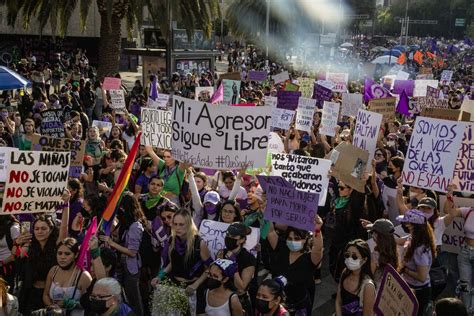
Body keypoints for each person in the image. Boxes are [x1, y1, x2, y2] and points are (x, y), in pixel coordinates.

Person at [16, 190, 70, 315]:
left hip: (51, 296)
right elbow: (17, 259)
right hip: (29, 294)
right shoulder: (29, 246)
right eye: (36, 228)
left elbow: (64, 228)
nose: (39, 231)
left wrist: (66, 205)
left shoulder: (56, 247)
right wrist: (17, 245)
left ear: (51, 230)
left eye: (43, 228)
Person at [151, 209, 212, 315]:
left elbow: (209, 268)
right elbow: (172, 263)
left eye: (181, 224)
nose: (177, 228)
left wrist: (195, 285)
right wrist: (159, 276)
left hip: (194, 288)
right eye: (175, 224)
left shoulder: (199, 243)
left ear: (189, 224)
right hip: (175, 286)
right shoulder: (172, 240)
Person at [99, 192, 145, 316]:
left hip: (131, 268)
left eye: (121, 208)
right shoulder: (126, 223)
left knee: (133, 298)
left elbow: (132, 252)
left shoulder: (136, 226)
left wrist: (111, 243)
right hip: (121, 266)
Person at [266, 217, 324, 315]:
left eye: (297, 239)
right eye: (290, 238)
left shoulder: (310, 259)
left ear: (305, 240)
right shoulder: (281, 247)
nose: (292, 241)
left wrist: (317, 229)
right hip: (278, 303)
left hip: (299, 307)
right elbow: (270, 231)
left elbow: (317, 248)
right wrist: (266, 216)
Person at [397, 209, 436, 316]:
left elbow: (422, 276)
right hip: (411, 287)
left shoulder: (420, 249)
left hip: (419, 292)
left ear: (411, 225)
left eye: (405, 222)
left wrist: (404, 269)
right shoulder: (413, 237)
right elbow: (399, 241)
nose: (403, 224)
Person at [43, 238, 92, 315]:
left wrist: (74, 305)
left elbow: (91, 304)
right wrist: (52, 308)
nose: (62, 257)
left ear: (75, 255)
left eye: (67, 254)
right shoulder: (53, 271)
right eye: (59, 253)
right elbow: (45, 294)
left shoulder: (83, 276)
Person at [217, 223, 256, 314]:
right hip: (222, 298)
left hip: (239, 301)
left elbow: (241, 287)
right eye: (228, 235)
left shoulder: (249, 258)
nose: (229, 238)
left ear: (242, 239)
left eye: (233, 236)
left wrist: (232, 264)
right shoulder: (222, 253)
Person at [335, 239, 376, 316]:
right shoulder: (345, 272)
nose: (349, 259)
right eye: (347, 255)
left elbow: (367, 314)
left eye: (354, 257)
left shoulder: (368, 286)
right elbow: (338, 301)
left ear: (364, 260)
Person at [362, 218, 398, 289]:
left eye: (373, 232)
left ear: (377, 235)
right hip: (391, 288)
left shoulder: (375, 255)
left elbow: (370, 275)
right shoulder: (396, 248)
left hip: (378, 289)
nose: (372, 235)